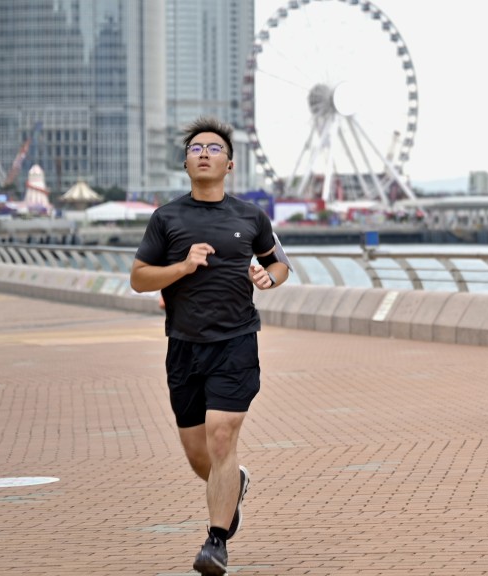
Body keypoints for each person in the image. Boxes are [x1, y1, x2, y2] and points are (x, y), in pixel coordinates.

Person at [130, 117, 290, 576]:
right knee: (201, 456)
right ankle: (233, 484)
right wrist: (181, 267)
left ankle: (216, 542)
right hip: (183, 347)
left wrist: (267, 277)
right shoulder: (167, 218)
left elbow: (279, 265)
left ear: (230, 164)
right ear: (185, 163)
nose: (204, 153)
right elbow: (139, 278)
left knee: (223, 438)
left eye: (214, 149)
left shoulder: (250, 217)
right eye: (196, 148)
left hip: (236, 343)